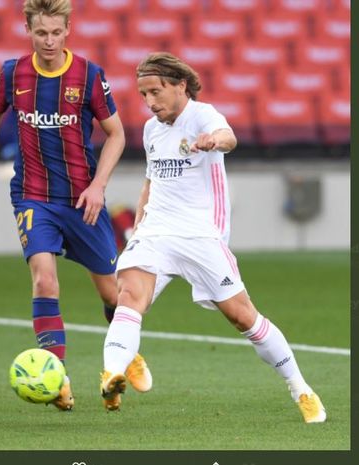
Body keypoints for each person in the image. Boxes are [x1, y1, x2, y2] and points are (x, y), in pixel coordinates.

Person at [0, 0, 152, 411]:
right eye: (41, 33)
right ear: (28, 30)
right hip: (33, 196)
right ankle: (58, 379)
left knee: (114, 292)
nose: (49, 41)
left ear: (68, 29)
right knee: (44, 280)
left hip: (82, 198)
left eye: (56, 32)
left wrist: (99, 186)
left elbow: (117, 135)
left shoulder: (88, 75)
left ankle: (127, 351)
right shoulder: (12, 73)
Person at [100, 52, 326, 423]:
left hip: (201, 234)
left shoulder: (202, 116)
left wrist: (213, 141)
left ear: (179, 86)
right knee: (127, 296)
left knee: (243, 318)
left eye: (155, 91)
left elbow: (229, 137)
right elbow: (151, 181)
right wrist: (139, 224)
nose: (149, 101)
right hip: (157, 230)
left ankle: (301, 388)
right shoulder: (151, 129)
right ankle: (112, 375)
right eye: (143, 95)